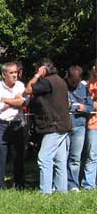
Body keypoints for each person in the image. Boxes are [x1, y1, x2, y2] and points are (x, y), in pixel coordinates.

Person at [25, 58, 71, 194]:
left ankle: (45, 192)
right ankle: (62, 192)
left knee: (44, 158)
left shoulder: (47, 82)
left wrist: (37, 75)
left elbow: (28, 89)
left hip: (54, 126)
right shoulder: (60, 80)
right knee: (60, 161)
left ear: (43, 69)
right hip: (63, 125)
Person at [0, 62, 26, 190]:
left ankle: (20, 185)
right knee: (0, 156)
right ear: (4, 74)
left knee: (18, 156)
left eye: (16, 72)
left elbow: (23, 103)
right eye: (11, 73)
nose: (15, 75)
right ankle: (0, 186)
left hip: (17, 124)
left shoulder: (21, 85)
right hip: (1, 124)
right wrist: (14, 101)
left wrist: (5, 100)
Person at [65, 65, 93, 191]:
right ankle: (59, 183)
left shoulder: (84, 88)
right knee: (61, 157)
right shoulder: (62, 87)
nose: (74, 84)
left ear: (80, 78)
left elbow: (91, 107)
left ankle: (73, 185)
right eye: (72, 81)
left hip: (79, 126)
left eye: (77, 81)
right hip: (64, 126)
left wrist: (84, 108)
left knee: (75, 158)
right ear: (68, 77)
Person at [81, 61, 97, 189]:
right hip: (93, 124)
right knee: (92, 155)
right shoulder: (88, 85)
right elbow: (87, 103)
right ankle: (89, 184)